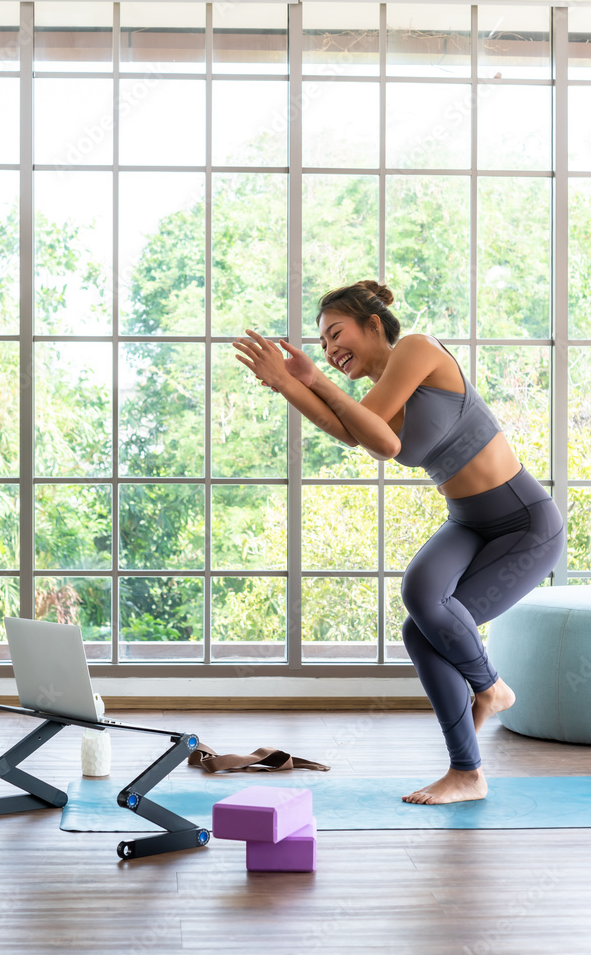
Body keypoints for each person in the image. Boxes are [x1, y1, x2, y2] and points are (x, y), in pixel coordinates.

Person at [233, 280, 565, 805]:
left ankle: (489, 688)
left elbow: (384, 443)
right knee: (419, 621)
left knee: (423, 605)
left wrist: (314, 378)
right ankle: (468, 771)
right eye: (321, 343)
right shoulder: (376, 397)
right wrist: (285, 382)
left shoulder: (417, 349)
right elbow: (347, 429)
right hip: (469, 521)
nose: (330, 348)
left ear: (372, 324)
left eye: (335, 333)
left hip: (525, 524)